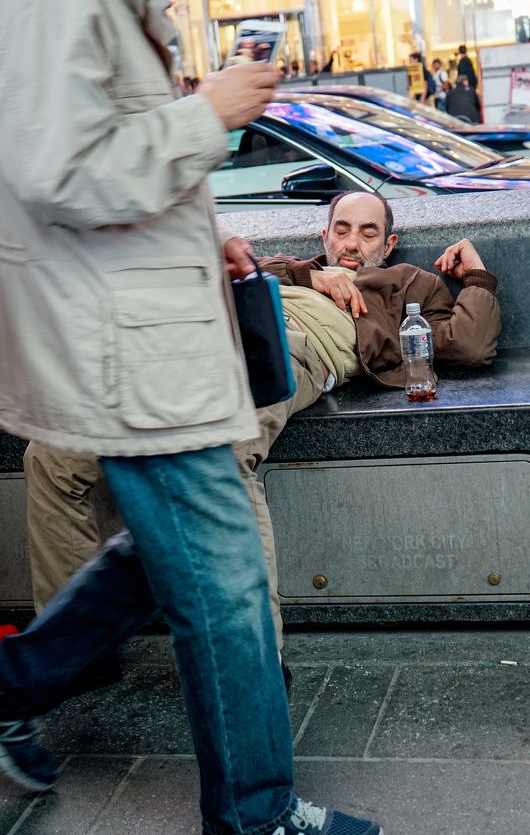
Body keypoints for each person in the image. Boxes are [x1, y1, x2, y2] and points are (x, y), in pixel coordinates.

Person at [0, 0, 382, 834]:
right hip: (132, 358)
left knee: (166, 563)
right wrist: (207, 115)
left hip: (155, 344)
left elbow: (103, 161)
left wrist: (204, 237)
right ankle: (256, 815)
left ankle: (11, 686)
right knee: (227, 585)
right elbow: (60, 174)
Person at [23, 190, 501, 665]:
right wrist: (313, 275)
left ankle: (253, 667)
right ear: (325, 236)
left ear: (389, 243)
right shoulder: (291, 267)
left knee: (224, 455)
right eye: (342, 229)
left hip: (290, 348)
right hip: (204, 337)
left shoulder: (407, 283)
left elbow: (469, 346)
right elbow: (232, 270)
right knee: (52, 455)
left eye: (367, 232)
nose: (352, 242)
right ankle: (71, 655)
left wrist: (476, 274)